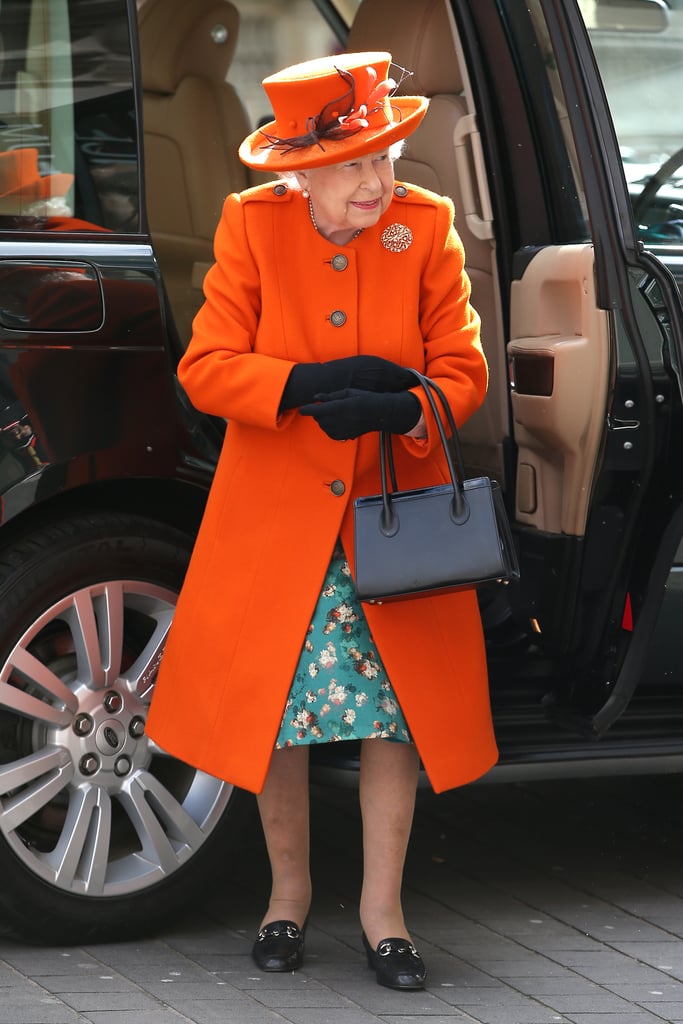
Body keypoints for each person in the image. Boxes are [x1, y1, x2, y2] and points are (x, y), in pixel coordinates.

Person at [146, 50, 498, 991]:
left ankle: (384, 914)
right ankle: (286, 900)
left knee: (395, 721)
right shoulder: (252, 226)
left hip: (389, 522)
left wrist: (405, 408)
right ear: (300, 172)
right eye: (355, 166)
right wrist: (302, 386)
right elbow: (206, 368)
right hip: (279, 528)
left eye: (386, 159)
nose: (378, 182)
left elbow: (464, 371)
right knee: (278, 719)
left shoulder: (425, 227)